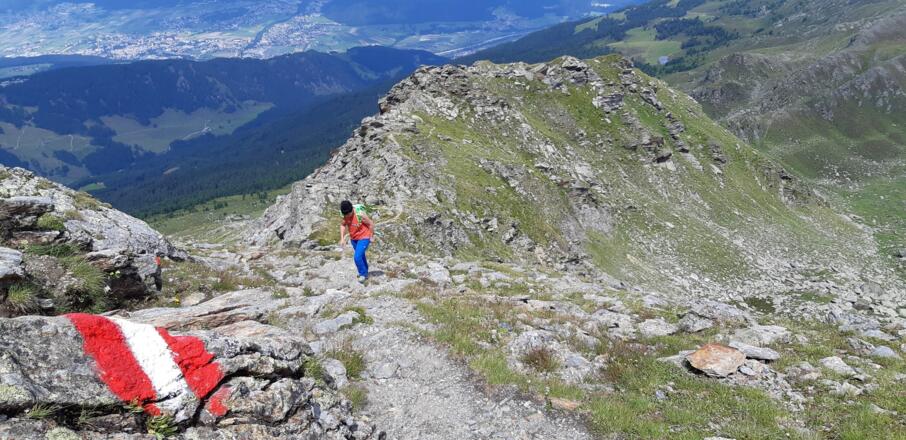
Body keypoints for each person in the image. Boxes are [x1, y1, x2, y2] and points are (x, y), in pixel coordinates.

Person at [339, 200, 374, 283]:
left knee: (357, 257)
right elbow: (343, 225)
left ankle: (363, 274)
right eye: (345, 214)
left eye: (348, 214)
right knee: (361, 256)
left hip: (364, 236)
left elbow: (371, 224)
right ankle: (365, 271)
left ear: (352, 210)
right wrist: (342, 238)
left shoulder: (360, 214)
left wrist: (372, 236)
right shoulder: (345, 215)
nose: (347, 216)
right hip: (354, 238)